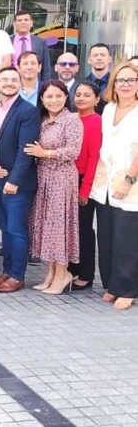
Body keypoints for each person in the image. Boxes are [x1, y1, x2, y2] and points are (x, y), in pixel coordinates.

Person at [24, 80, 83, 294]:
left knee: (59, 227)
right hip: (43, 177)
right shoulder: (41, 120)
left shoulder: (71, 120)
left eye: (58, 96)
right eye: (49, 96)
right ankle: (51, 272)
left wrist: (45, 153)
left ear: (66, 97)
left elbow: (73, 151)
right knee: (46, 225)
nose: (54, 100)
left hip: (62, 178)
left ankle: (63, 273)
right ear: (41, 99)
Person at [0, 67, 40, 293]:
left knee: (16, 229)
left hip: (16, 182)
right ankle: (7, 270)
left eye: (13, 80)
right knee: (4, 228)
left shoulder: (28, 111)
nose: (9, 83)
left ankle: (17, 275)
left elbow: (25, 150)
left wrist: (14, 180)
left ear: (20, 84)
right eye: (4, 79)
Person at [90, 62, 138, 311]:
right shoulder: (108, 109)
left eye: (131, 80)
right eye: (121, 80)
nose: (126, 85)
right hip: (104, 183)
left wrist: (129, 181)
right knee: (106, 236)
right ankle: (112, 285)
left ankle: (128, 289)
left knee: (126, 240)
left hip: (130, 185)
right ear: (114, 84)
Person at [67, 82, 101, 290]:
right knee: (70, 228)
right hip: (66, 179)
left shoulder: (97, 121)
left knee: (83, 229)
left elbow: (93, 157)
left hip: (83, 180)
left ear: (97, 99)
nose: (80, 98)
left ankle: (86, 274)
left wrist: (85, 188)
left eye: (86, 95)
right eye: (78, 94)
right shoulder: (71, 119)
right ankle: (71, 268)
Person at [11, 11, 52, 81]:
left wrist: (45, 87)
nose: (23, 22)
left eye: (26, 20)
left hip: (34, 84)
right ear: (14, 24)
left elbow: (46, 69)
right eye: (19, 20)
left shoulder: (41, 42)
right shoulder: (7, 41)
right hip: (12, 82)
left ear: (31, 23)